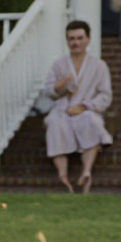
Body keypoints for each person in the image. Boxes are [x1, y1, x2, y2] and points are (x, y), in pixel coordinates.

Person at [41, 19, 112, 192]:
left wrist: (85, 106)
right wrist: (60, 85)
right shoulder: (59, 65)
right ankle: (63, 176)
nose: (75, 42)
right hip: (62, 110)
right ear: (67, 41)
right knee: (55, 124)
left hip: (85, 110)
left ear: (88, 39)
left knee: (91, 123)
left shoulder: (99, 66)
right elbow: (49, 91)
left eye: (80, 38)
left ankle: (86, 172)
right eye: (71, 39)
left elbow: (105, 95)